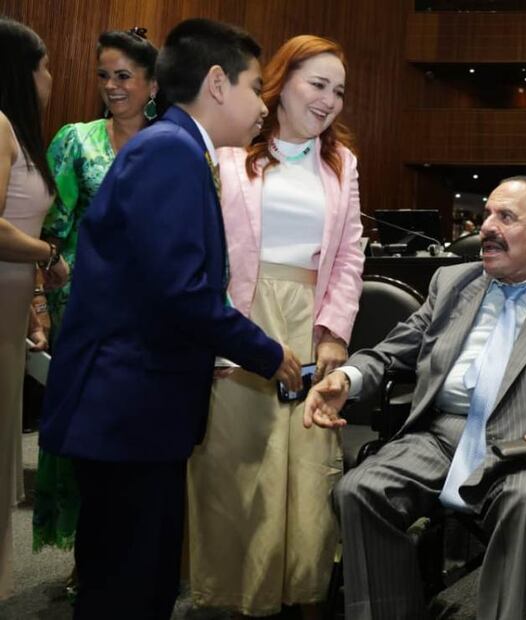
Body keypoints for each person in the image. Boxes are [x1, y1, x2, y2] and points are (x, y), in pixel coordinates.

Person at [39, 19, 301, 618]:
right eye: (255, 86)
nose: (263, 106)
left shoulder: (172, 147)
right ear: (216, 83)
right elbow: (180, 291)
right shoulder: (171, 154)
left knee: (138, 577)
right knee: (128, 587)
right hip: (126, 408)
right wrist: (268, 353)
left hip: (135, 406)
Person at [306, 175, 526, 619]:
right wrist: (348, 379)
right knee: (360, 490)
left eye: (506, 217)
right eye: (488, 213)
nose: (486, 227)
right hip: (439, 438)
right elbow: (391, 351)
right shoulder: (453, 282)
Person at [186, 35, 364, 619]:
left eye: (338, 91)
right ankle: (233, 597)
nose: (329, 100)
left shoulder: (343, 163)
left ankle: (302, 594)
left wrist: (335, 330)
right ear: (280, 82)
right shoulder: (229, 152)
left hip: (309, 322)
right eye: (317, 84)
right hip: (241, 315)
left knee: (308, 470)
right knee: (238, 466)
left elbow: (349, 256)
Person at [31, 29, 160, 575]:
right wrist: (42, 295)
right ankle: (88, 561)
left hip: (150, 314)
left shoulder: (172, 144)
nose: (111, 86)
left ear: (152, 84)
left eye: (123, 76)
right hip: (81, 309)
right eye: (103, 76)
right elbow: (50, 229)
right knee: (81, 434)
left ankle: (135, 556)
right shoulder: (75, 140)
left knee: (138, 436)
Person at [0, 16, 67, 601]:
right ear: (22, 71)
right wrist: (49, 254)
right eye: (44, 65)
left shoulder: (18, 132)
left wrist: (32, 309)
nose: (51, 76)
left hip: (10, 304)